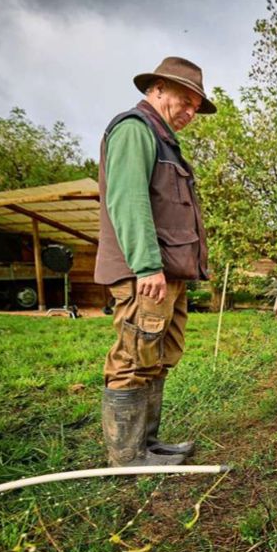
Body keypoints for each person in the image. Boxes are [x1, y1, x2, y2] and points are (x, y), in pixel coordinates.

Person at [94, 57, 216, 467]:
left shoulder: (165, 140)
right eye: (185, 101)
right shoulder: (134, 129)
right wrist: (147, 266)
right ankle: (127, 457)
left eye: (195, 108)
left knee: (157, 357)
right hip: (144, 275)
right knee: (133, 357)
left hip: (168, 275)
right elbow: (128, 201)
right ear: (158, 88)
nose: (189, 113)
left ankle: (148, 444)